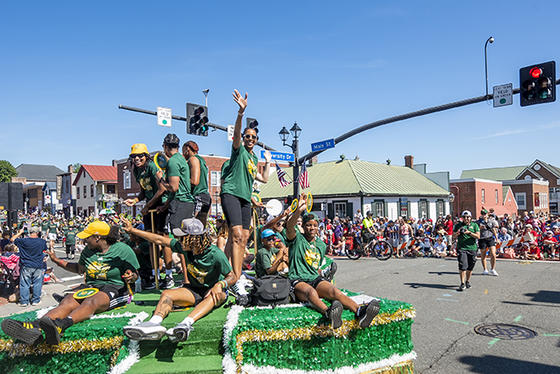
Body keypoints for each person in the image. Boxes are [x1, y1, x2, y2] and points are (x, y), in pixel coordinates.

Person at [1, 221, 139, 346]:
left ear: (98, 237)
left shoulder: (123, 250)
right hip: (91, 286)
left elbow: (135, 274)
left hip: (115, 287)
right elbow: (79, 269)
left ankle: (60, 325)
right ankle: (34, 327)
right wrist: (56, 261)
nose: (84, 240)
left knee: (92, 302)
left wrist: (131, 276)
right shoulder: (88, 251)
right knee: (67, 301)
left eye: (87, 237)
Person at [121, 217, 234, 342]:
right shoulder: (183, 247)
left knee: (214, 296)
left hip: (214, 291)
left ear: (192, 238)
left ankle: (185, 324)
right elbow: (159, 239)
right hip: (194, 290)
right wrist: (132, 230)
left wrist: (220, 284)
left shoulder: (216, 254)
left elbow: (232, 276)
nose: (178, 240)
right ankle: (153, 323)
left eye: (181, 237)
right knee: (167, 294)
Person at [286, 194, 380, 329]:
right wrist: (299, 210)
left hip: (314, 278)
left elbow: (316, 266)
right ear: (304, 227)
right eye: (308, 225)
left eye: (314, 225)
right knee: (311, 292)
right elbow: (289, 226)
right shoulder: (297, 239)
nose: (311, 228)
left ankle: (360, 312)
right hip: (297, 280)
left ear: (318, 227)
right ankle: (328, 313)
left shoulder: (321, 244)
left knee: (335, 292)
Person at [220, 90, 272, 303]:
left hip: (245, 198)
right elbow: (237, 134)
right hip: (231, 193)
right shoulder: (239, 150)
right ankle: (236, 277)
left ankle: (230, 272)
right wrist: (241, 113)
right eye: (247, 137)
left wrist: (267, 161)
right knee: (237, 236)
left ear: (257, 140)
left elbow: (264, 179)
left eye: (253, 137)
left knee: (244, 238)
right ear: (243, 139)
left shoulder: (253, 157)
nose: (250, 139)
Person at [124, 143, 167, 288]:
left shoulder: (152, 167)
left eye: (140, 156)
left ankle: (169, 274)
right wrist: (135, 200)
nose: (137, 159)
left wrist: (147, 206)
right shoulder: (137, 171)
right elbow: (144, 191)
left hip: (161, 205)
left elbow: (162, 189)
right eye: (134, 156)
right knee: (150, 240)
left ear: (146, 156)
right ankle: (154, 275)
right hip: (149, 206)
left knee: (162, 240)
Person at [157, 134, 196, 288]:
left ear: (165, 146)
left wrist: (160, 179)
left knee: (182, 245)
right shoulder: (181, 159)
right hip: (184, 203)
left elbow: (173, 188)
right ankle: (189, 278)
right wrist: (165, 205)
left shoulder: (172, 161)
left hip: (181, 205)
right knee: (186, 243)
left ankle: (186, 280)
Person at [10, 226, 47, 307]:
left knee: (24, 284)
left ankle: (24, 301)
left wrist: (20, 232)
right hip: (38, 264)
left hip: (26, 265)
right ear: (37, 233)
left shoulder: (23, 240)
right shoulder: (42, 241)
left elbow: (12, 239)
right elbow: (44, 250)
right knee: (37, 283)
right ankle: (35, 300)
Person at [183, 140, 212, 227]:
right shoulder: (202, 160)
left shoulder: (193, 159)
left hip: (198, 196)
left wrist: (180, 179)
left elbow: (195, 181)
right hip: (205, 197)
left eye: (183, 150)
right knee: (200, 228)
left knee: (193, 228)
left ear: (187, 149)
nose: (183, 154)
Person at [453, 210, 480, 291]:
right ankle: (462, 283)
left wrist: (469, 233)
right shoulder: (458, 225)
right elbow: (453, 236)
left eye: (468, 217)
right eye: (464, 217)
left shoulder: (474, 225)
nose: (466, 218)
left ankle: (467, 281)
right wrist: (458, 233)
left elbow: (478, 236)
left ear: (470, 218)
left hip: (472, 248)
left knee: (470, 267)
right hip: (462, 248)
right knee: (462, 265)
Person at [477, 210, 499, 276]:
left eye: (485, 214)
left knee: (493, 253)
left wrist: (497, 238)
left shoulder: (491, 221)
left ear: (487, 214)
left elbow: (494, 229)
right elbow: (475, 229)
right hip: (482, 238)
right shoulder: (478, 222)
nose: (484, 215)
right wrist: (479, 228)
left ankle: (492, 269)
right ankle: (485, 269)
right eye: (482, 214)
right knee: (483, 254)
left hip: (490, 238)